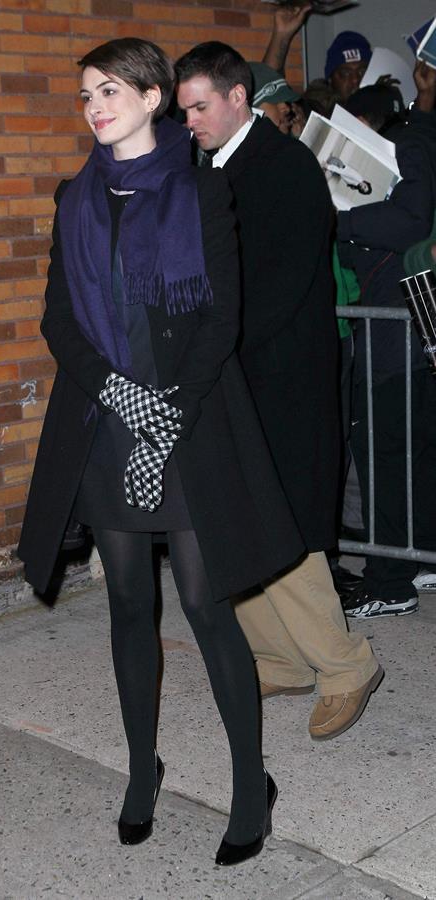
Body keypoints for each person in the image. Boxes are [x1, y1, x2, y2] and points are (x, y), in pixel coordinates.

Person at [18, 37, 306, 867]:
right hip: (107, 421)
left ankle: (250, 782)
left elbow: (221, 317)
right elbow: (58, 321)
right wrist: (120, 397)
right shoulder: (75, 198)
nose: (94, 106)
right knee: (127, 608)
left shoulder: (203, 189)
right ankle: (141, 770)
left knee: (205, 605)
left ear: (153, 98)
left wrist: (165, 409)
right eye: (84, 95)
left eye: (109, 90)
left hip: (188, 419)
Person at [175, 41, 383, 742]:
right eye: (184, 110)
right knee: (240, 521)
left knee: (284, 529)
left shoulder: (283, 165)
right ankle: (279, 657)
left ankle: (345, 666)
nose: (190, 121)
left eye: (200, 107)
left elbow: (278, 286)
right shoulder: (213, 169)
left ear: (240, 98)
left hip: (278, 382)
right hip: (236, 377)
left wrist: (212, 347)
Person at [336, 70, 436, 619]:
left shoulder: (407, 145)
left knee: (384, 452)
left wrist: (341, 221)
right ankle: (415, 561)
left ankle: (390, 579)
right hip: (402, 319)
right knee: (411, 450)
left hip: (394, 323)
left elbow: (409, 222)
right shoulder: (415, 143)